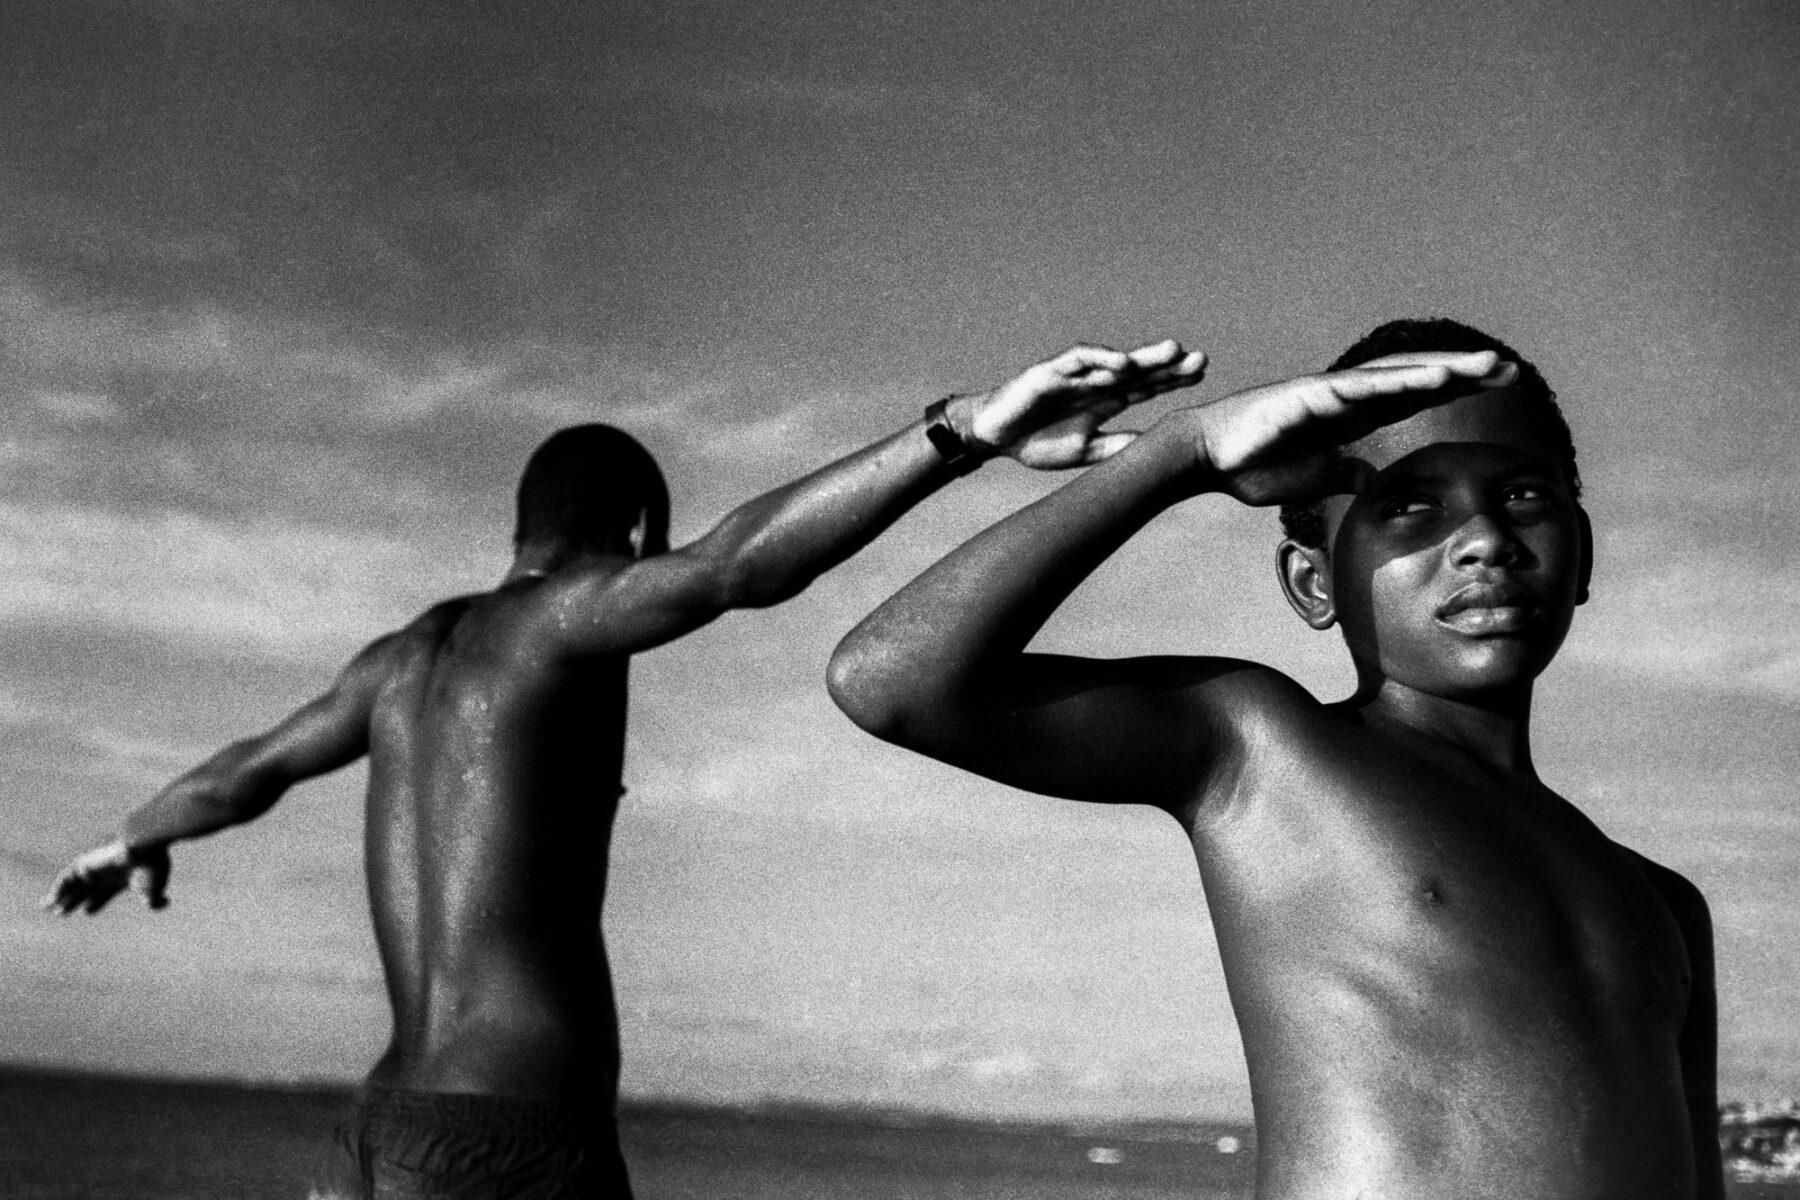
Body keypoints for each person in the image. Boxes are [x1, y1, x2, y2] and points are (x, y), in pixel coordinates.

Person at [39, 338, 1203, 1200]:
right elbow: (736, 567)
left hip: (374, 1134)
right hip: (516, 1136)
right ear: (635, 528)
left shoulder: (394, 664)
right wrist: (963, 434)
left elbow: (245, 773)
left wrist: (133, 834)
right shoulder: (565, 621)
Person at [828, 320, 1723, 1199]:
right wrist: (1182, 453)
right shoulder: (1266, 748)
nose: (1485, 538)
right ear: (1313, 582)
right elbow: (890, 681)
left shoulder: (1665, 907)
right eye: (1410, 506)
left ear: (1585, 551)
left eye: (1525, 495)